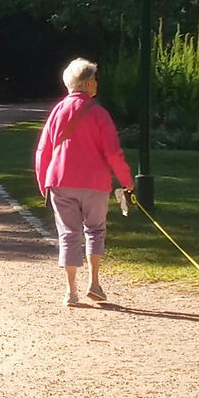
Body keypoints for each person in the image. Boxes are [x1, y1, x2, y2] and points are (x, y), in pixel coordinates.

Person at [33, 57, 133, 308]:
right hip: (95, 182)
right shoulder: (99, 114)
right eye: (95, 79)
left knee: (68, 234)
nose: (97, 83)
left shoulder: (57, 111)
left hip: (61, 179)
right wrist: (127, 182)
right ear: (88, 84)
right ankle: (94, 283)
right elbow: (113, 153)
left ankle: (70, 291)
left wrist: (43, 181)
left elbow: (43, 149)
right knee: (95, 230)